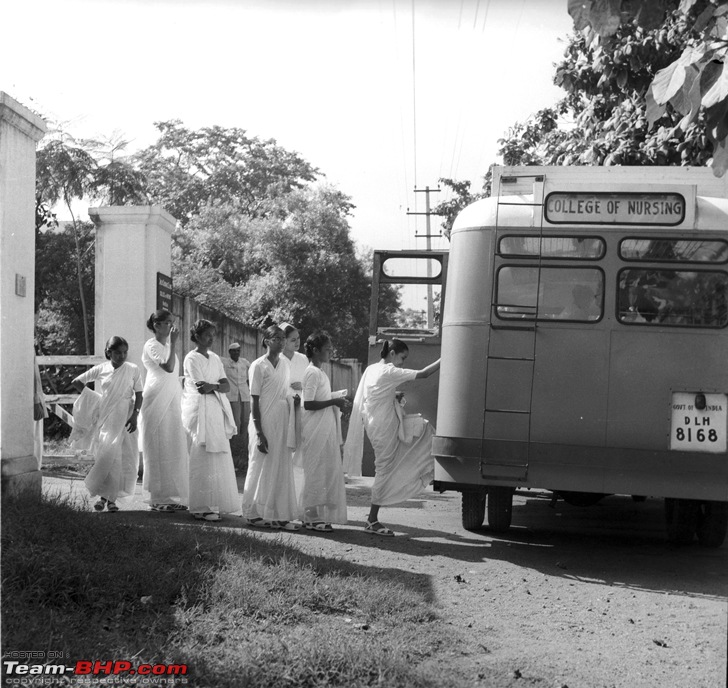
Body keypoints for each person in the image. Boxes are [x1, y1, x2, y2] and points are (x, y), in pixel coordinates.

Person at [343, 339, 440, 537]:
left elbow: (375, 394)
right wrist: (445, 358)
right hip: (382, 426)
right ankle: (372, 519)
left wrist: (392, 394)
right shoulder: (388, 371)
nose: (402, 363)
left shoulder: (372, 369)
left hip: (376, 423)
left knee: (421, 432)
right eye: (402, 358)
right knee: (385, 468)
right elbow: (424, 373)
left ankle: (375, 516)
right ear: (393, 353)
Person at [71, 336, 143, 512]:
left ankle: (109, 500)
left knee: (121, 456)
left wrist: (135, 415)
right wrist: (97, 400)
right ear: (109, 352)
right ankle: (105, 497)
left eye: (125, 352)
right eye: (117, 352)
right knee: (106, 456)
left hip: (126, 417)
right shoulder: (101, 369)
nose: (122, 356)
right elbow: (77, 382)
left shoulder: (132, 369)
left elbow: (139, 394)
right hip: (106, 418)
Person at [241, 325, 301, 531]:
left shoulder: (285, 364)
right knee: (259, 464)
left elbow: (284, 392)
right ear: (267, 341)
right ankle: (252, 512)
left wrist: (295, 400)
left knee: (280, 466)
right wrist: (259, 433)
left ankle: (277, 513)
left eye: (284, 338)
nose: (282, 341)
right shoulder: (258, 366)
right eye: (277, 337)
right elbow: (254, 400)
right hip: (263, 421)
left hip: (281, 421)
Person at [181, 319, 240, 522]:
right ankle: (199, 506)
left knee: (218, 454)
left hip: (216, 409)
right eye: (207, 334)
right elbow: (200, 387)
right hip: (199, 410)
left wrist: (213, 386)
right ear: (197, 336)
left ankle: (214, 502)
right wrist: (215, 387)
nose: (211, 338)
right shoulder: (191, 358)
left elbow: (226, 386)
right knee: (201, 454)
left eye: (213, 334)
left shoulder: (215, 358)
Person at [298, 332, 350, 532]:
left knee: (323, 469)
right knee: (315, 470)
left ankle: (315, 513)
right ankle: (310, 514)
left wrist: (337, 397)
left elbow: (319, 397)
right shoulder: (311, 372)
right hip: (314, 428)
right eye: (327, 349)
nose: (331, 351)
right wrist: (333, 401)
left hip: (324, 427)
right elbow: (308, 403)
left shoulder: (321, 373)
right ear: (316, 351)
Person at [140, 310, 189, 513]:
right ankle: (156, 498)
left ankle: (167, 495)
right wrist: (175, 343)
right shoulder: (151, 345)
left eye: (172, 323)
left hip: (171, 399)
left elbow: (174, 374)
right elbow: (168, 367)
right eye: (167, 323)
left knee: (171, 444)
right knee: (158, 445)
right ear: (157, 325)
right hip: (156, 398)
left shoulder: (168, 346)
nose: (171, 327)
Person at [222, 342, 251, 472]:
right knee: (236, 425)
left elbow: (251, 377)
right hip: (232, 396)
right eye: (233, 351)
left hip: (244, 395)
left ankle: (243, 457)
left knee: (245, 423)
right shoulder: (225, 363)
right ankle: (234, 457)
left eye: (238, 351)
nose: (236, 353)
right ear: (230, 352)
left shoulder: (245, 363)